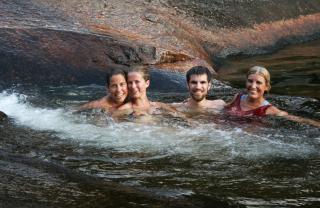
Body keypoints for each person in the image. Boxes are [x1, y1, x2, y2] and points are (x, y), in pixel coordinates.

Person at [225, 66, 320, 127]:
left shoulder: (269, 110)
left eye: (258, 82)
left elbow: (295, 118)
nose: (253, 86)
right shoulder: (237, 97)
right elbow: (221, 108)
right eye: (250, 81)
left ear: (266, 87)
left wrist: (316, 124)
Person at [114, 65, 178, 118]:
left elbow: (181, 117)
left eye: (137, 82)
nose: (133, 86)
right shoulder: (123, 111)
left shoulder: (160, 106)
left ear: (147, 83)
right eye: (130, 83)